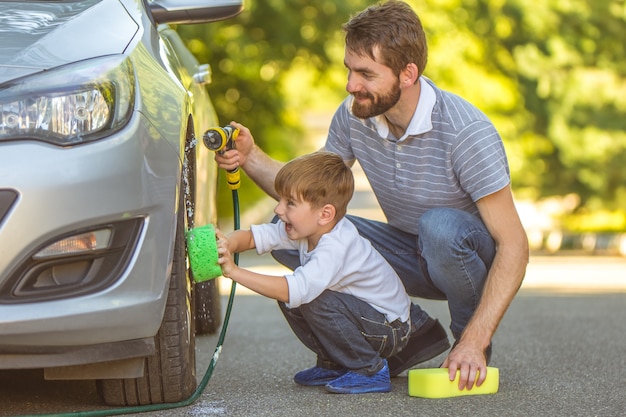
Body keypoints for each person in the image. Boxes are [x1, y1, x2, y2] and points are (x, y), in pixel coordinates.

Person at [215, 0, 529, 390]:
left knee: (440, 227)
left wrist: (475, 340)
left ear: (408, 73)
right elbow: (309, 194)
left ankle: (467, 345)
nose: (351, 85)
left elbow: (514, 245)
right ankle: (410, 333)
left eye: (365, 73)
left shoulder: (465, 132)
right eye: (349, 70)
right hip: (406, 251)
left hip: (462, 257)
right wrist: (250, 157)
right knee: (292, 225)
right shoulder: (354, 115)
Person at [215, 151, 413, 394]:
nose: (278, 209)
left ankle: (369, 370)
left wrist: (234, 272)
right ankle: (335, 363)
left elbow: (295, 289)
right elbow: (255, 236)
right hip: (369, 319)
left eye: (290, 203)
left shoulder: (335, 246)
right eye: (280, 200)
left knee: (309, 298)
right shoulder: (306, 229)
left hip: (390, 329)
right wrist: (226, 244)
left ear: (325, 214)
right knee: (296, 299)